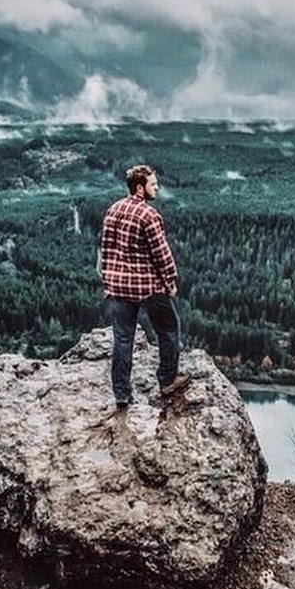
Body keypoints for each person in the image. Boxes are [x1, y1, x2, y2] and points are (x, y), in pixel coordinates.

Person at [99, 164, 190, 408]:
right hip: (147, 286)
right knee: (169, 329)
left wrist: (108, 278)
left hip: (118, 286)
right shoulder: (149, 215)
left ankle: (121, 393)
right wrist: (170, 282)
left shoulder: (113, 209)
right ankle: (168, 380)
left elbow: (106, 250)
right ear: (140, 188)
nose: (157, 187)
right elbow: (162, 255)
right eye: (153, 184)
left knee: (122, 338)